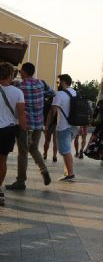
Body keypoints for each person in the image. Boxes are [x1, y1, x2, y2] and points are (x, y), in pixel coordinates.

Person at [6, 62, 51, 191]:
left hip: (24, 124)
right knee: (34, 148)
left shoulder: (19, 85)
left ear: (24, 72)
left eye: (20, 71)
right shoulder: (41, 83)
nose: (19, 72)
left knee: (23, 153)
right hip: (38, 124)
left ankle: (21, 181)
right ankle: (44, 169)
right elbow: (52, 93)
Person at [0, 63, 27, 206]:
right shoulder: (17, 93)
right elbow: (22, 115)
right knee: (2, 161)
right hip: (7, 131)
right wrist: (24, 130)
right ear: (10, 75)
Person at [46, 74, 78, 182]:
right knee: (67, 149)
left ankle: (71, 174)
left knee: (65, 151)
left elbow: (53, 111)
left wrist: (47, 125)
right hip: (75, 126)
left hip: (64, 126)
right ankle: (67, 172)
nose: (58, 83)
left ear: (63, 82)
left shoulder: (59, 94)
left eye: (59, 81)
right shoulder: (75, 92)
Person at [85, 88, 103, 166]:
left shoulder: (101, 102)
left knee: (100, 141)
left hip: (101, 125)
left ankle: (102, 156)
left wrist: (92, 121)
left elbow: (95, 113)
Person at [42, 87, 58, 162]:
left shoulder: (45, 103)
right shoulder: (57, 103)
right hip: (56, 124)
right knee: (55, 141)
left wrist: (46, 126)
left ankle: (45, 154)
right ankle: (54, 156)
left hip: (48, 124)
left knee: (47, 141)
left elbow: (46, 115)